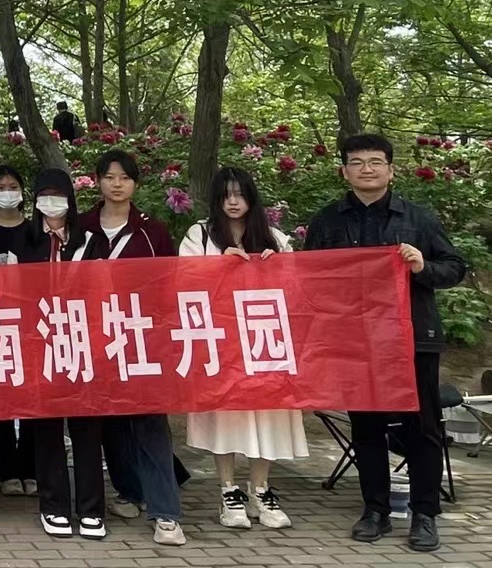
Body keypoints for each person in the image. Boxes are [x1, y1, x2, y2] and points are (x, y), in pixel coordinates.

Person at [305, 133, 467, 554]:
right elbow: (308, 277)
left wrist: (422, 266)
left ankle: (424, 513)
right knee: (367, 426)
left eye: (375, 162)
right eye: (357, 162)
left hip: (413, 337)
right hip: (355, 341)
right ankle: (374, 509)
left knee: (422, 426)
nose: (367, 169)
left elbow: (455, 267)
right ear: (344, 171)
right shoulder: (328, 221)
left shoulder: (418, 218)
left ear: (391, 170)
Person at [180, 167, 304, 530]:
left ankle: (261, 488)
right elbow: (182, 281)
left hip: (266, 341)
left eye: (239, 194)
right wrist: (219, 267)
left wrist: (276, 269)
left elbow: (297, 289)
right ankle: (228, 489)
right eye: (226, 195)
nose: (233, 202)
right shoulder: (200, 235)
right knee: (226, 414)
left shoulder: (275, 238)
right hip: (222, 341)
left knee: (269, 414)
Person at [79, 149, 185, 546]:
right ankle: (129, 490)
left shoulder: (152, 232)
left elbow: (170, 284)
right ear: (98, 182)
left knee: (149, 423)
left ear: (135, 183)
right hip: (92, 338)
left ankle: (166, 514)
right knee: (107, 422)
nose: (117, 184)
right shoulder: (81, 227)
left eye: (124, 177)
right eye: (109, 177)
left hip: (142, 339)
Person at [20, 167, 109, 540]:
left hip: (82, 341)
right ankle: (54, 505)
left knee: (86, 428)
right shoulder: (27, 241)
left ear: (70, 199)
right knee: (47, 427)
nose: (51, 202)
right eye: (44, 195)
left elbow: (105, 289)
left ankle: (91, 509)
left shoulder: (91, 240)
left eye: (58, 195)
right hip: (39, 343)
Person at [0, 164, 37, 497]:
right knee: (0, 398)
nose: (7, 191)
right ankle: (6, 472)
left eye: (12, 185)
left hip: (31, 323)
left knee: (31, 398)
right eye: (0, 186)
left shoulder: (35, 231)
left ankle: (30, 468)